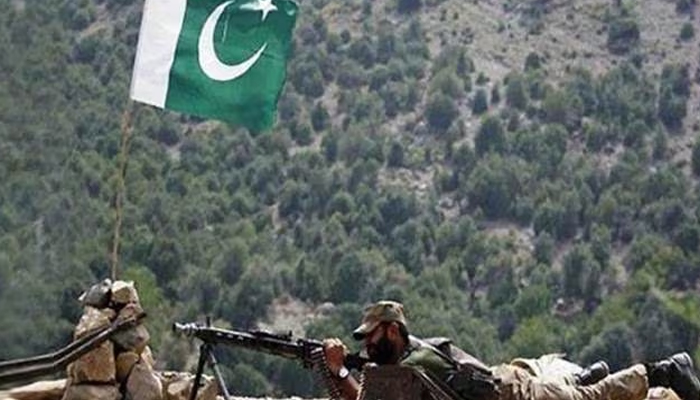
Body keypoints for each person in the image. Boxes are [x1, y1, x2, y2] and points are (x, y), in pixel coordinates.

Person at [323, 300, 700, 400]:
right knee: (575, 390)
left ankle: (664, 371)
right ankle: (580, 376)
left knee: (591, 399)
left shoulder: (412, 366)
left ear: (392, 330)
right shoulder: (413, 354)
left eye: (371, 336)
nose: (367, 345)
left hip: (515, 395)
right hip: (507, 381)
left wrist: (338, 369)